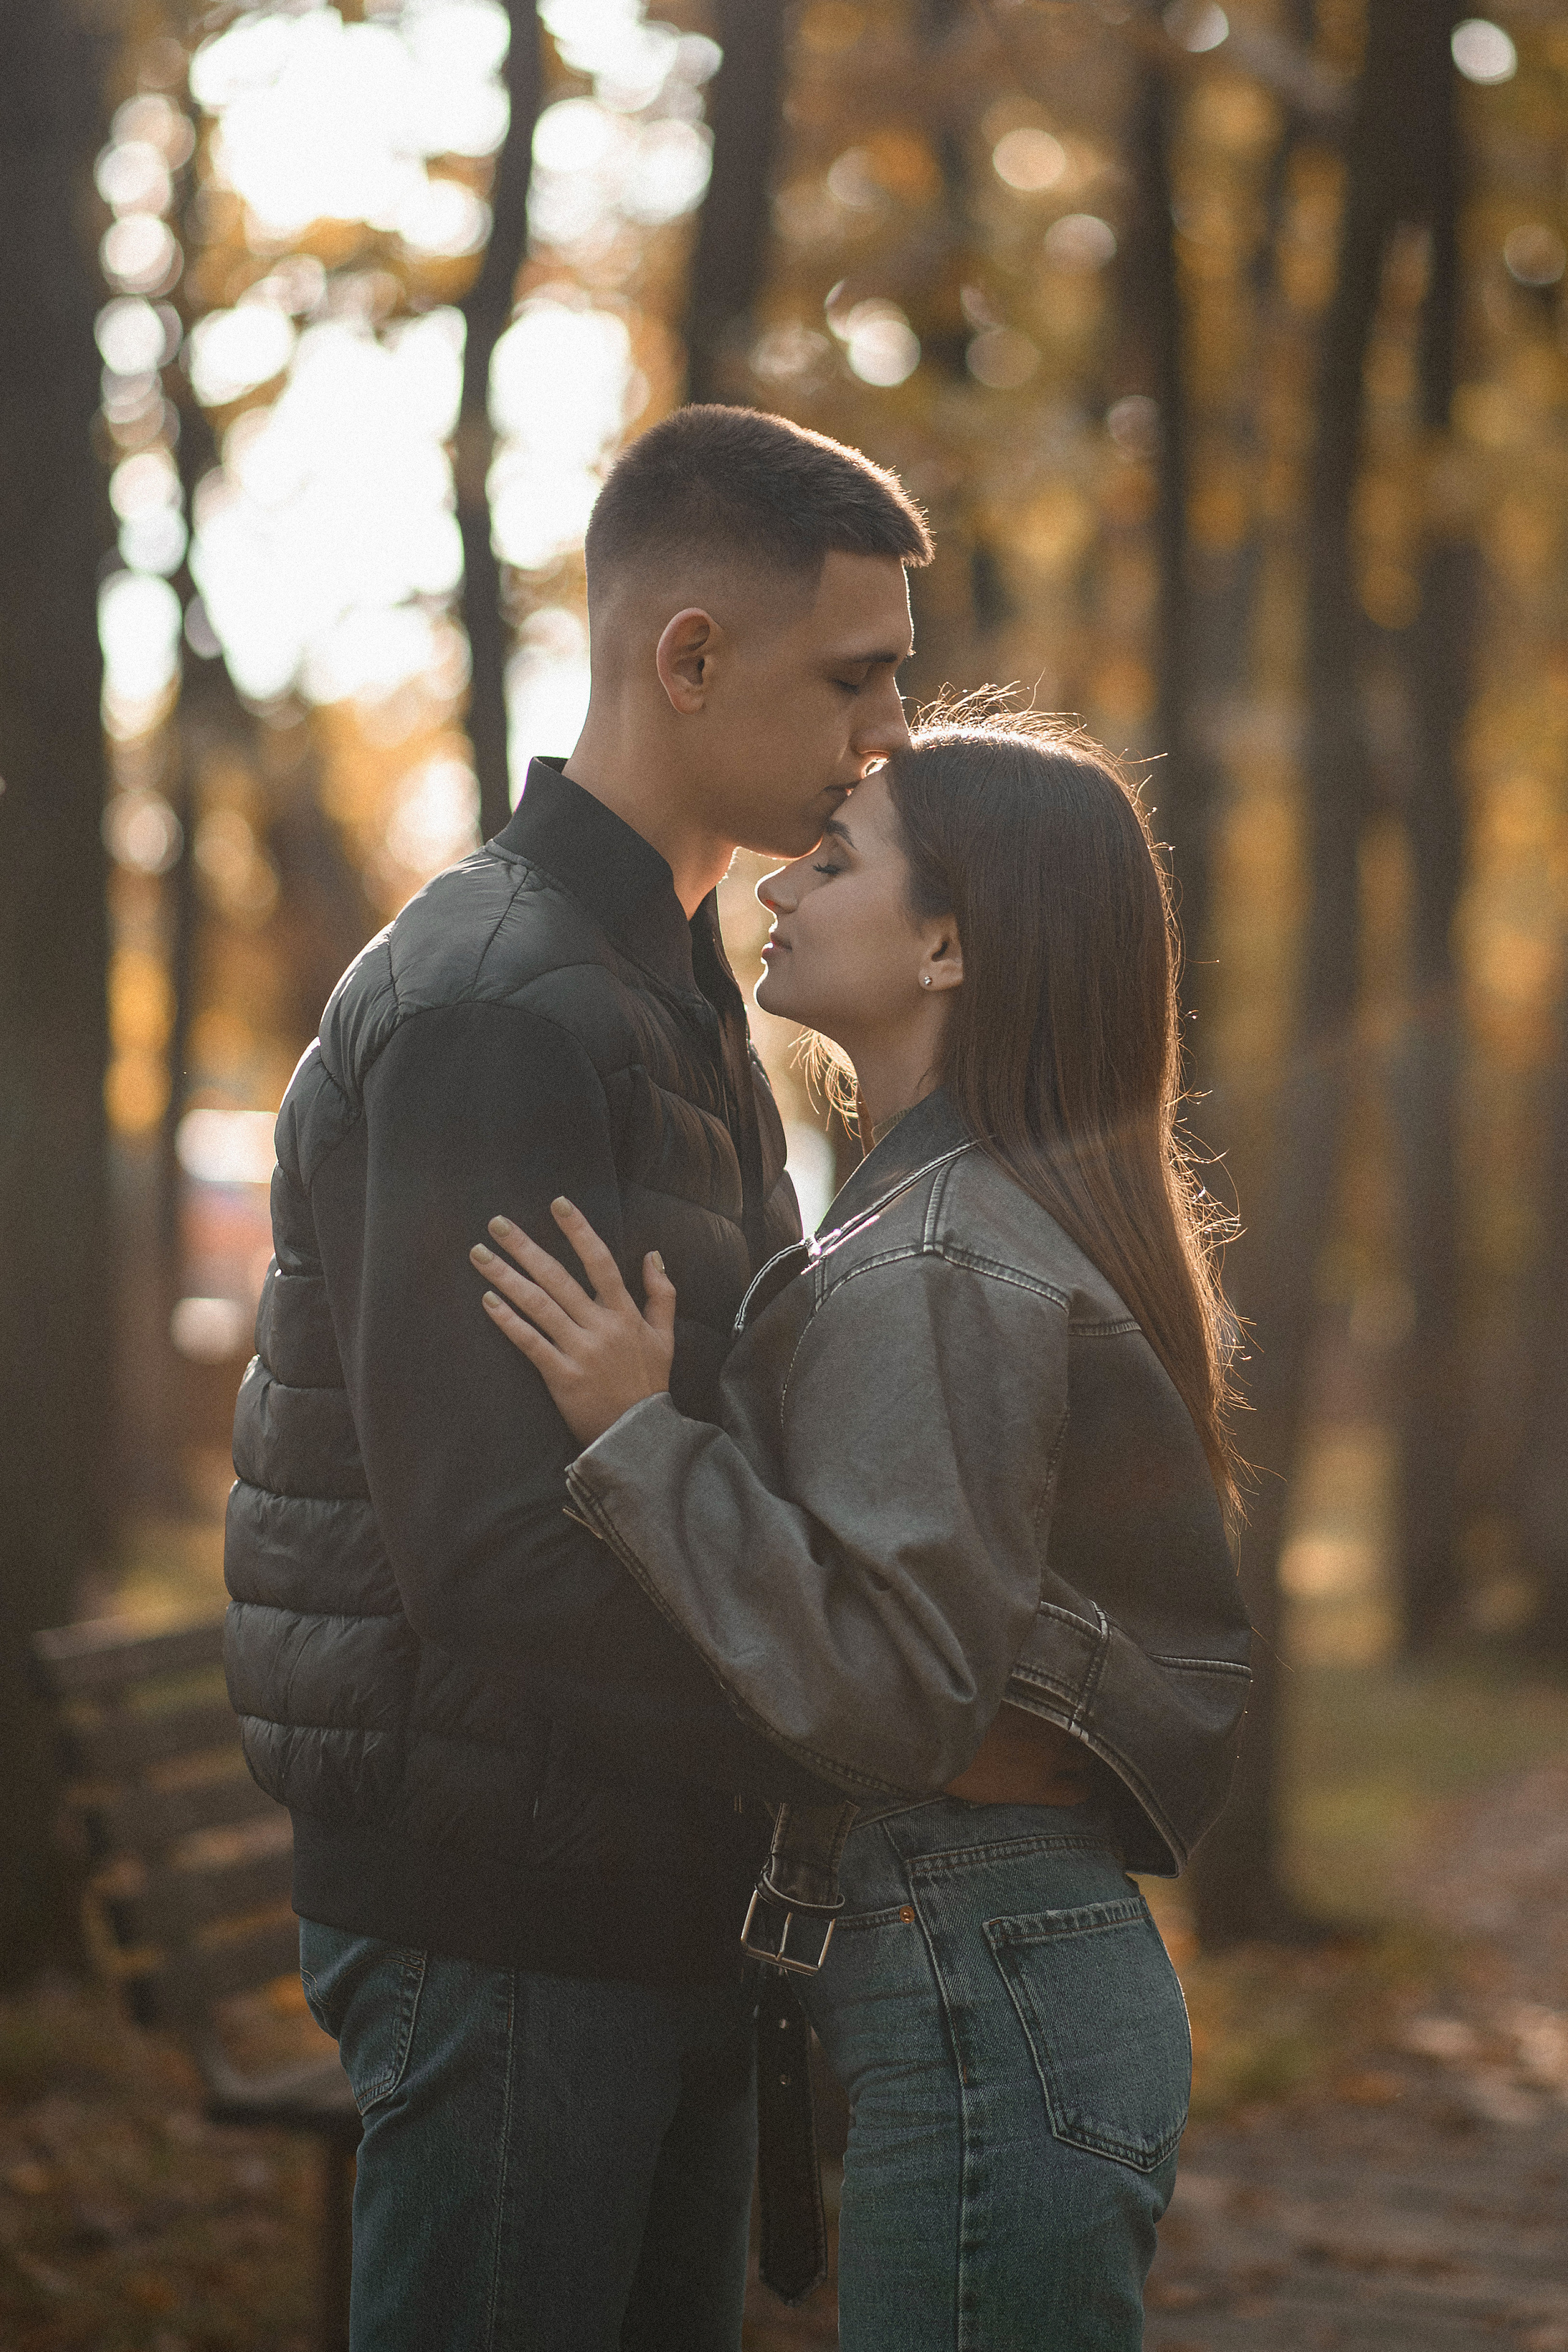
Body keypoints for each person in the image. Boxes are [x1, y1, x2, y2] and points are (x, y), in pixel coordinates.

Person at [221, 404, 935, 2351]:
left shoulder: (680, 987)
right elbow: (486, 1557)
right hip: (502, 1915)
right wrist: (826, 1723)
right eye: (852, 676)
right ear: (686, 654)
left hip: (639, 1884)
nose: (889, 731)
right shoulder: (497, 1009)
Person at [471, 716, 1254, 2351]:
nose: (780, 883)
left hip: (981, 1962)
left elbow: (892, 1693)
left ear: (950, 940)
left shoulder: (943, 1260)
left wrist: (638, 1438)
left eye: (837, 861)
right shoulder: (949, 1217)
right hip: (998, 1961)